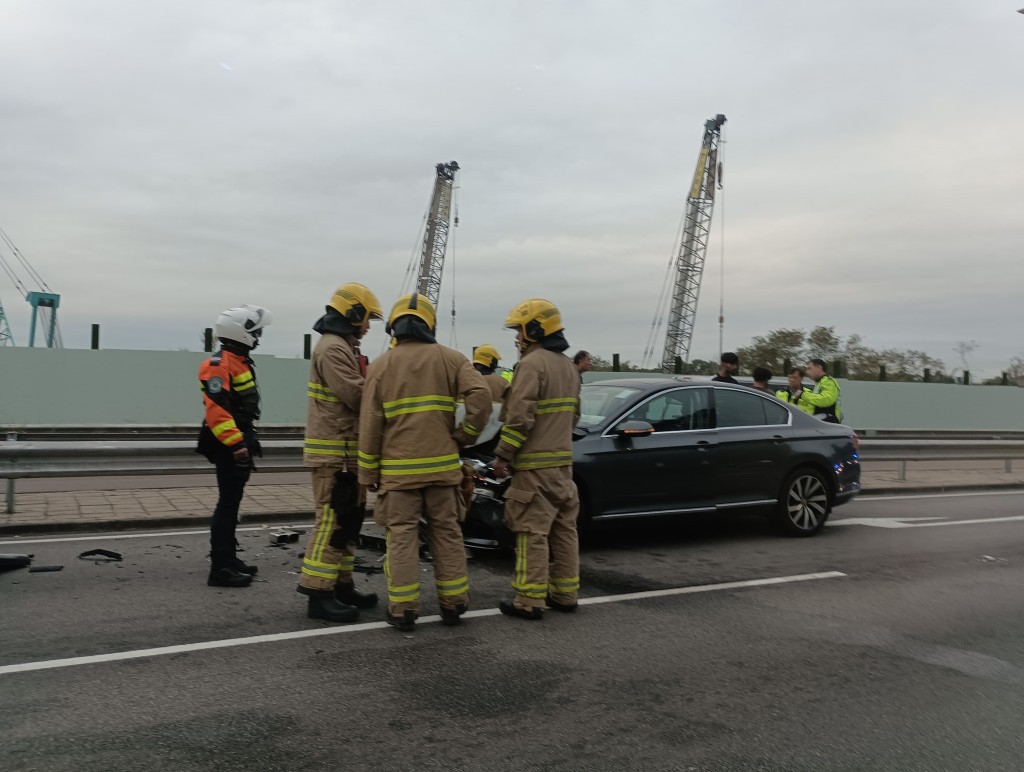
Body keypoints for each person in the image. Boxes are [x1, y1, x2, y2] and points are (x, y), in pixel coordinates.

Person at [358, 293, 492, 632]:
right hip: (442, 469)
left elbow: (371, 424)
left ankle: (404, 609)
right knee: (447, 533)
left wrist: (368, 472)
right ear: (429, 325)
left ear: (395, 326)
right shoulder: (452, 359)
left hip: (398, 474)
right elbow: (482, 397)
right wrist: (466, 435)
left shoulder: (380, 366)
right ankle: (455, 603)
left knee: (401, 536)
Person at [296, 283, 384, 623]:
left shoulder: (340, 346)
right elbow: (356, 395)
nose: (368, 327)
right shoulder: (333, 349)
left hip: (345, 453)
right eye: (367, 319)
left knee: (348, 522)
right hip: (335, 454)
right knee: (332, 523)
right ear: (353, 314)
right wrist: (388, 387)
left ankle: (342, 586)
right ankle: (318, 593)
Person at [492, 299, 581, 621]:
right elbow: (574, 416)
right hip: (563, 466)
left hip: (534, 468)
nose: (517, 337)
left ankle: (528, 600)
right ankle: (566, 594)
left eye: (519, 329)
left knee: (532, 531)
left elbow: (519, 419)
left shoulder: (531, 365)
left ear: (534, 330)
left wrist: (503, 455)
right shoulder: (569, 366)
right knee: (564, 529)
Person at [196, 305, 272, 588]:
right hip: (228, 443)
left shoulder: (238, 361)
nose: (260, 336)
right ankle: (220, 567)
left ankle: (229, 559)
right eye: (257, 332)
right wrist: (238, 446)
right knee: (227, 505)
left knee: (233, 502)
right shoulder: (218, 366)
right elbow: (217, 411)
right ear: (241, 333)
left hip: (238, 438)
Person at [798, 358, 843, 423]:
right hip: (823, 422)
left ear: (819, 367)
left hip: (829, 423)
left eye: (809, 368)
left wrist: (803, 394)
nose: (807, 372)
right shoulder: (820, 383)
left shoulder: (828, 381)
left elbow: (826, 400)